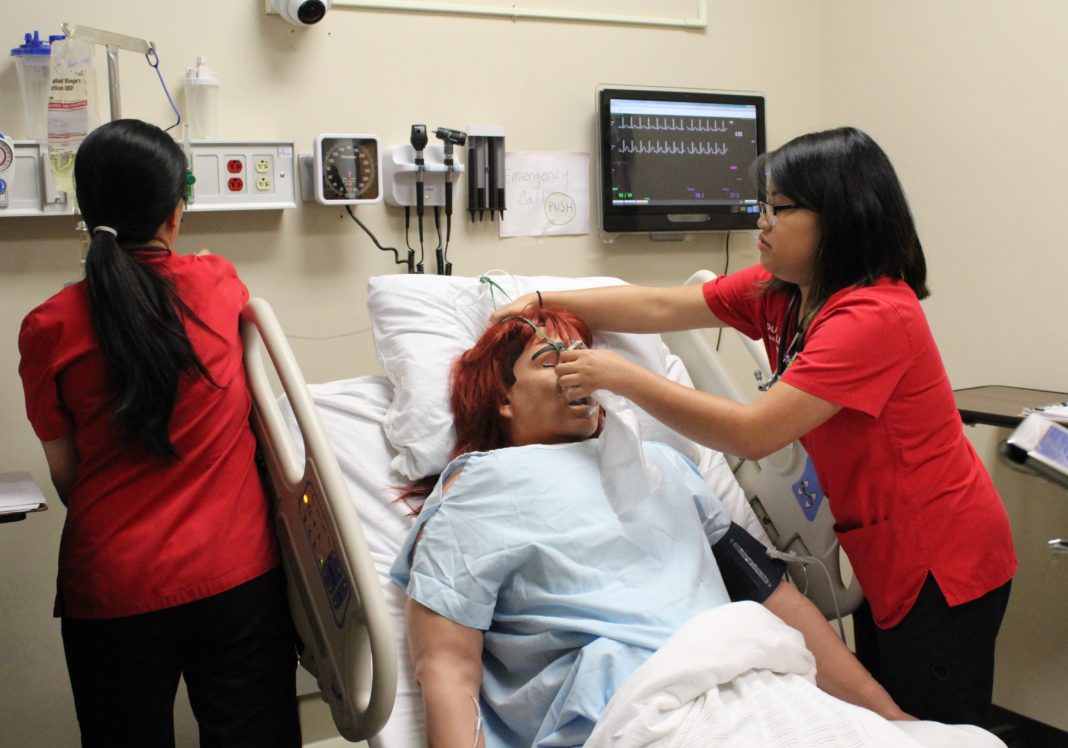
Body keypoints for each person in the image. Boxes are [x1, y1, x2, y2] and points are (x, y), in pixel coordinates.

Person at [491, 126, 1017, 726]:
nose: (759, 222)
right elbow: (662, 307)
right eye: (762, 205)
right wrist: (537, 297)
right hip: (884, 550)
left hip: (943, 560)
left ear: (837, 217)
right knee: (889, 716)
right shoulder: (785, 293)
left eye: (777, 208)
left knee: (932, 724)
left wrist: (622, 377)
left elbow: (753, 434)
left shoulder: (874, 315)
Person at [392, 308, 910, 748]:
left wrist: (891, 718)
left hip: (756, 682)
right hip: (631, 713)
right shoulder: (478, 486)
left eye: (584, 356)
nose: (577, 369)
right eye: (551, 360)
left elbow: (776, 598)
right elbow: (446, 667)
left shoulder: (663, 464)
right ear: (503, 400)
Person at [17, 119, 300, 747]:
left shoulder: (48, 327)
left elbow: (68, 476)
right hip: (236, 581)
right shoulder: (217, 283)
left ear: (85, 211)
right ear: (176, 214)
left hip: (113, 590)